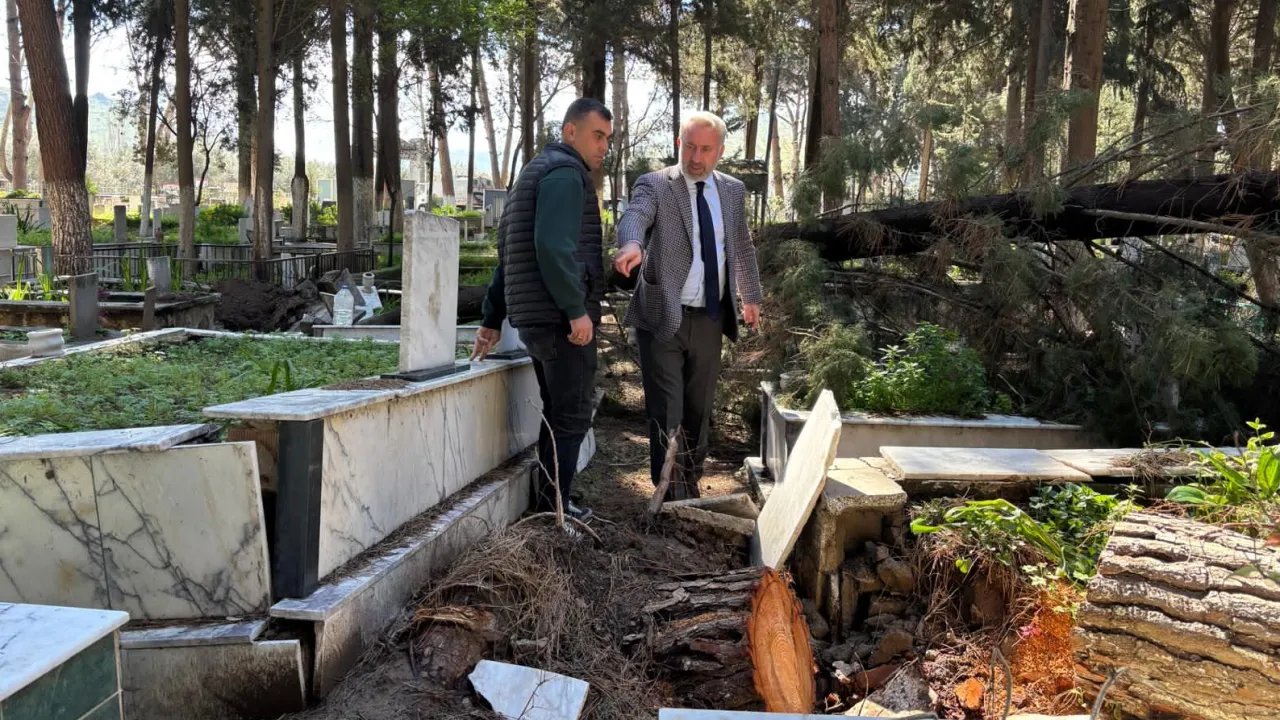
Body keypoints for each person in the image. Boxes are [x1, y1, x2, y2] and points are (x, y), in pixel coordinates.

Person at [472, 97, 613, 522]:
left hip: (536, 317)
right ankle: (555, 510)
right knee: (572, 414)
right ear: (570, 131)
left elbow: (508, 255)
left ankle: (551, 504)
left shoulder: (531, 175)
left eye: (608, 138)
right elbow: (552, 247)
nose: (604, 146)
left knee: (558, 411)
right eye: (597, 135)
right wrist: (575, 309)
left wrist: (491, 318)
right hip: (558, 318)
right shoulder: (566, 173)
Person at [613, 111, 763, 499]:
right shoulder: (655, 184)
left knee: (699, 408)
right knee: (667, 408)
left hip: (710, 317)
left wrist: (750, 296)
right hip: (663, 313)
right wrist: (632, 244)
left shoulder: (732, 191)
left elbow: (741, 245)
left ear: (720, 151)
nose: (696, 157)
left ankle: (689, 481)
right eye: (690, 147)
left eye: (706, 149)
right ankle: (670, 490)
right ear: (680, 143)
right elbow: (635, 215)